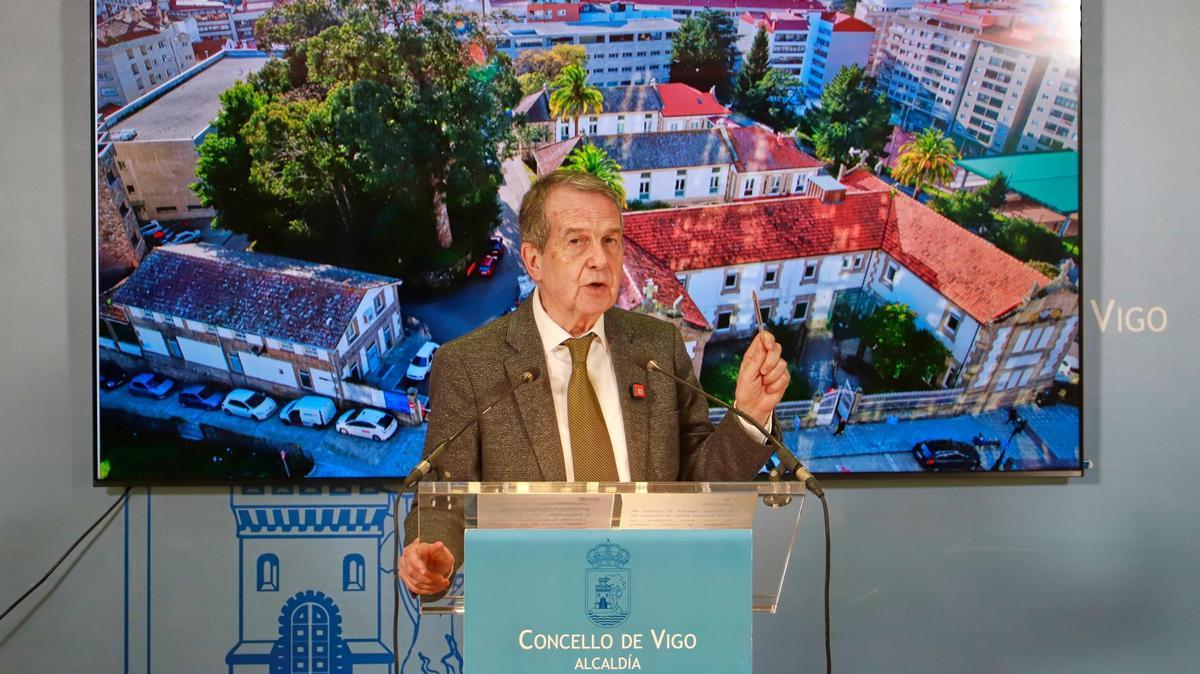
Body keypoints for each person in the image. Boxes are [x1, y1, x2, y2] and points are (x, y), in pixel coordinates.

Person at [399, 170, 789, 595]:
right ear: (533, 261)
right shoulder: (471, 365)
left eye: (610, 240)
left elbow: (697, 481)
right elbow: (442, 495)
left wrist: (751, 414)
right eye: (576, 241)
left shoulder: (658, 345)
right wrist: (430, 553)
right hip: (534, 620)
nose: (600, 259)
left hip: (657, 605)